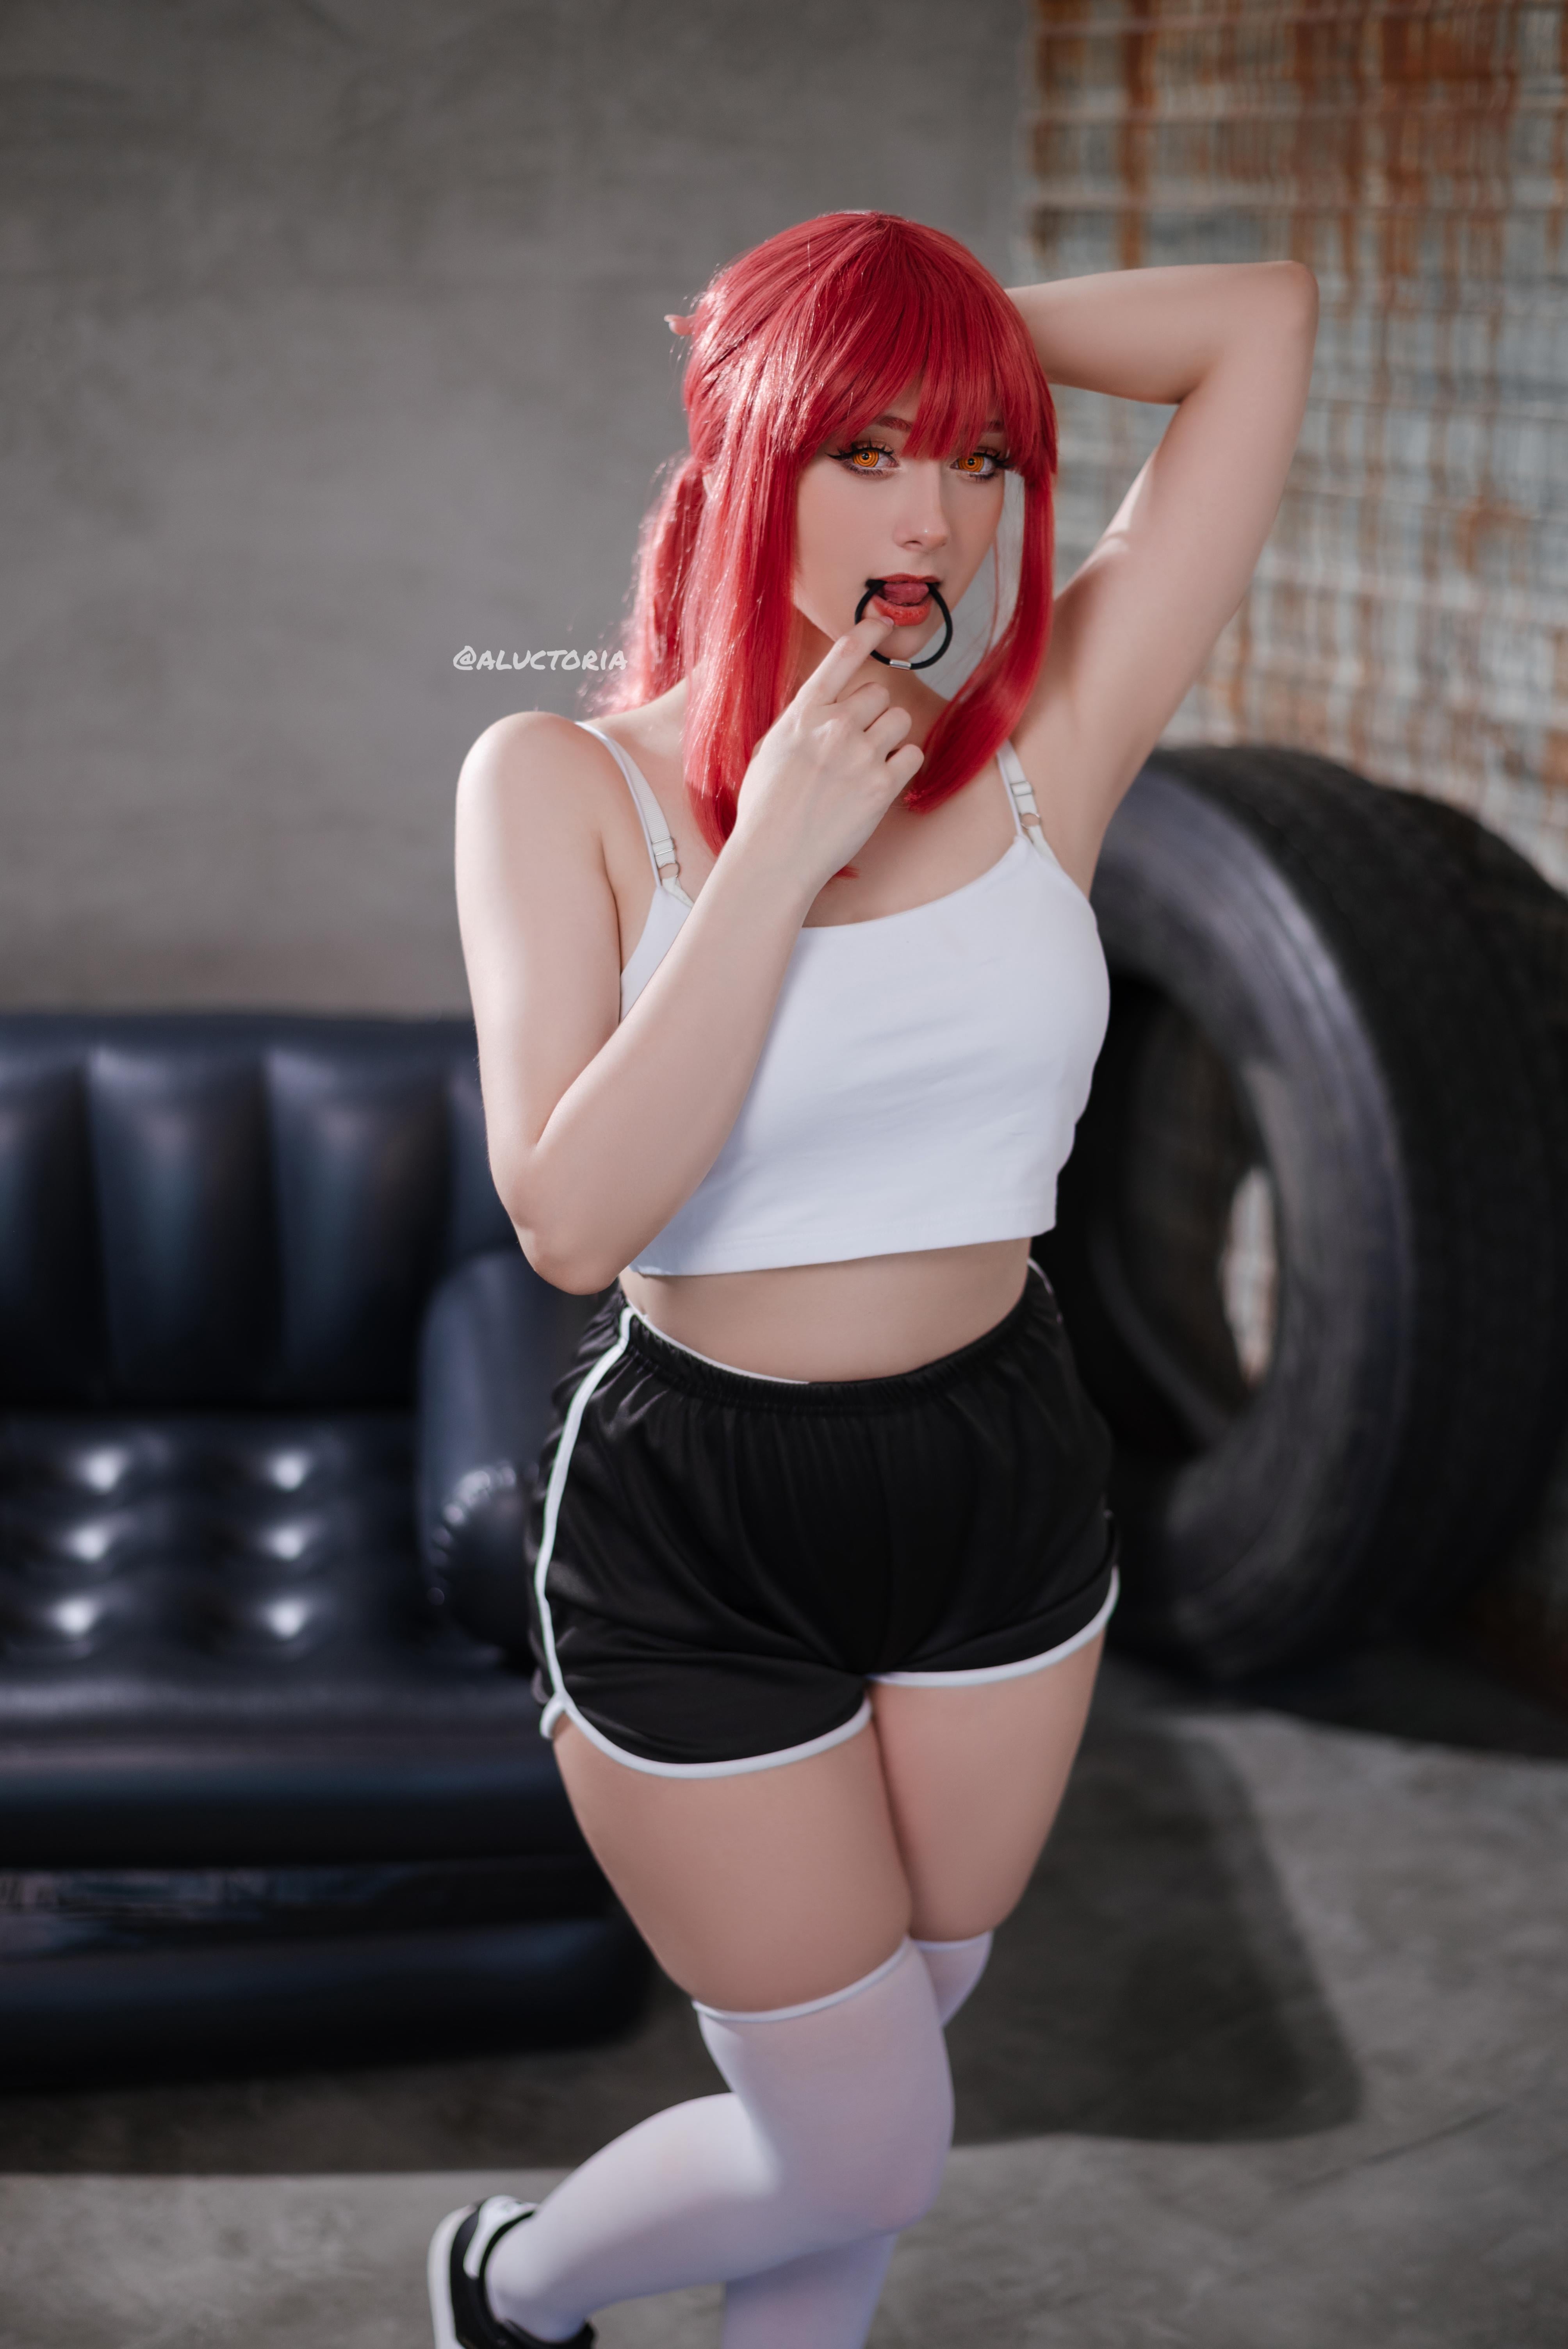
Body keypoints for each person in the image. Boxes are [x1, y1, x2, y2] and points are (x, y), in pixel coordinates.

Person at [433, 210, 1317, 2348]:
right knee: (863, 2148)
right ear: (750, 453)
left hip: (1001, 1471)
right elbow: (572, 1220)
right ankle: (513, 2283)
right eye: (865, 450)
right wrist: (774, 855)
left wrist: (913, 339)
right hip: (696, 1516)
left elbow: (1259, 319)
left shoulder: (1046, 740)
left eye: (981, 456)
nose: (937, 517)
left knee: (879, 2083)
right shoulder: (554, 781)